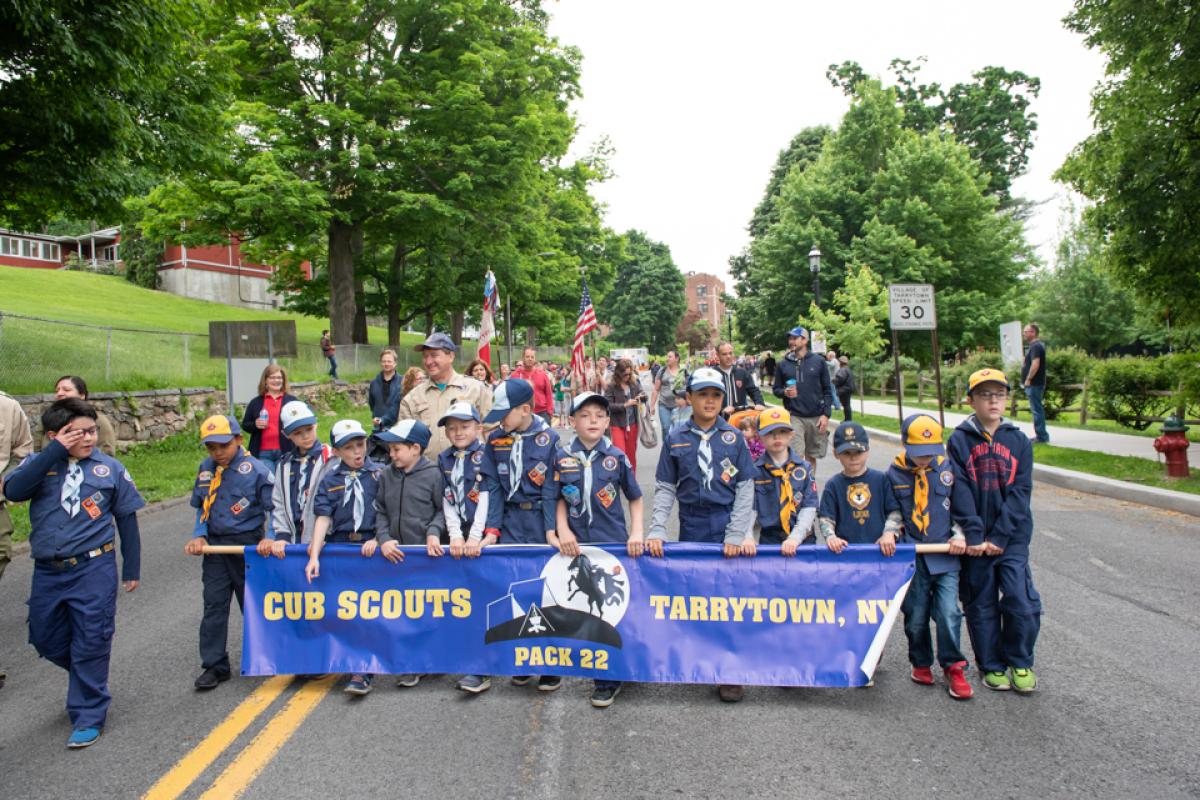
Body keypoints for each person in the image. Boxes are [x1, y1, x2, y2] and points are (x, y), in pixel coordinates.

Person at [2, 398, 144, 748]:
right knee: (44, 637)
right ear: (54, 435)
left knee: (91, 638)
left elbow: (127, 519)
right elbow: (14, 490)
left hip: (93, 567)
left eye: (92, 431)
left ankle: (89, 714)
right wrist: (53, 453)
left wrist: (133, 567)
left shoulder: (108, 469)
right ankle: (86, 675)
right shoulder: (40, 464)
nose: (88, 438)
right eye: (77, 433)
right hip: (49, 570)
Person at [647, 367, 755, 703]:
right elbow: (665, 488)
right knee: (697, 593)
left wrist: (738, 534)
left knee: (729, 597)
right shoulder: (677, 438)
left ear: (723, 400)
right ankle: (701, 658)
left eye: (716, 395)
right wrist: (658, 529)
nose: (710, 401)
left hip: (725, 524)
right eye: (703, 395)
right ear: (689, 398)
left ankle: (729, 670)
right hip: (692, 524)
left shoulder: (733, 438)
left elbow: (745, 489)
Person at [947, 368, 1040, 694]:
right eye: (985, 395)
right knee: (980, 602)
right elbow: (958, 490)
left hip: (1010, 538)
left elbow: (1021, 492)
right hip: (975, 540)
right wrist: (974, 535)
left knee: (1020, 599)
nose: (993, 401)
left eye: (998, 394)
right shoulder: (959, 439)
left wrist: (999, 536)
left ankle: (1020, 660)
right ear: (971, 400)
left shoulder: (1018, 441)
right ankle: (992, 665)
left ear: (1007, 399)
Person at [553, 392, 645, 708]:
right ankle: (602, 673)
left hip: (612, 543)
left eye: (599, 415)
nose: (592, 420)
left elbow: (634, 497)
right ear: (572, 420)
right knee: (587, 610)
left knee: (614, 609)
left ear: (607, 421)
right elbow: (558, 500)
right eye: (585, 415)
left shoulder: (616, 457)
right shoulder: (562, 457)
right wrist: (563, 530)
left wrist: (636, 532)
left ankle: (615, 672)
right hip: (577, 546)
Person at [480, 378, 563, 691]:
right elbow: (492, 487)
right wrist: (491, 530)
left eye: (505, 413)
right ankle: (525, 658)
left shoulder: (549, 439)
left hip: (539, 521)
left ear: (526, 409)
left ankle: (550, 663)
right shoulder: (496, 440)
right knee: (515, 587)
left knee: (546, 589)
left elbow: (553, 489)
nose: (500, 420)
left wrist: (552, 530)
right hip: (511, 521)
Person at [184, 415, 275, 691]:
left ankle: (269, 654)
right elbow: (203, 506)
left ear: (238, 439)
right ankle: (215, 665)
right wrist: (199, 534)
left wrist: (269, 538)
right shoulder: (206, 469)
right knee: (213, 605)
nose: (218, 453)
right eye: (211, 447)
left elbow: (275, 509)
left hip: (247, 546)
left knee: (253, 604)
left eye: (223, 445)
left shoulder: (256, 470)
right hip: (215, 547)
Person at [886, 414, 972, 700]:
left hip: (945, 553)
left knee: (949, 612)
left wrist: (960, 534)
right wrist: (891, 533)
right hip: (913, 555)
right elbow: (894, 510)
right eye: (919, 455)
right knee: (916, 616)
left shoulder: (948, 468)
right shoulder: (895, 472)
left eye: (930, 453)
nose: (925, 460)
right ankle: (920, 661)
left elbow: (959, 509)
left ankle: (953, 666)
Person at [305, 419, 383, 696]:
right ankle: (342, 659)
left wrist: (379, 538)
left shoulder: (379, 474)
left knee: (367, 609)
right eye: (348, 448)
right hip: (340, 547)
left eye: (360, 445)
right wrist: (314, 555)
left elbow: (386, 512)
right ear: (337, 452)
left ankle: (362, 670)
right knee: (343, 608)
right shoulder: (330, 480)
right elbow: (323, 518)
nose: (357, 452)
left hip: (369, 547)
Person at [370, 418, 445, 690]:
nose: (391, 455)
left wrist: (434, 531)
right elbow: (380, 509)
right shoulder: (387, 474)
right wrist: (384, 538)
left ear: (416, 448)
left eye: (396, 449)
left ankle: (428, 660)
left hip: (424, 557)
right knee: (401, 611)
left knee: (426, 610)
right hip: (394, 556)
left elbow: (442, 510)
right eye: (389, 449)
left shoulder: (434, 475)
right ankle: (410, 662)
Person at [435, 402, 496, 694]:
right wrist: (455, 535)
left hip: (484, 537)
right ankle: (468, 661)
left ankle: (485, 665)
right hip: (459, 538)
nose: (458, 432)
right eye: (452, 427)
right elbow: (447, 497)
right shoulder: (444, 458)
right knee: (464, 600)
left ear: (478, 427)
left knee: (488, 600)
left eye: (465, 426)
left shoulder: (485, 455)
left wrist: (474, 536)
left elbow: (485, 495)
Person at [396, 333, 492, 458]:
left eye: (434, 355)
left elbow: (490, 430)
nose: (428, 361)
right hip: (430, 473)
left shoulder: (476, 388)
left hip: (472, 471)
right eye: (425, 356)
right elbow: (404, 442)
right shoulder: (412, 398)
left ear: (451, 356)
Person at [817, 421, 903, 556]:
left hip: (880, 551)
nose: (853, 457)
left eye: (858, 451)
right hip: (846, 553)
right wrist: (831, 537)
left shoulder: (881, 480)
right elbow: (826, 518)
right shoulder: (833, 485)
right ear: (835, 453)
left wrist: (889, 533)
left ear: (867, 450)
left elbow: (894, 511)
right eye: (846, 452)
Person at [262, 401, 336, 550]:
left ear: (316, 424)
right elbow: (279, 502)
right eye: (297, 433)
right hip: (292, 542)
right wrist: (282, 535)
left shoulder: (331, 459)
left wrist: (324, 535)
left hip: (325, 541)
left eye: (309, 429)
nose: (305, 436)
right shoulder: (284, 465)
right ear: (286, 435)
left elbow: (337, 501)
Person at [751, 407, 817, 552]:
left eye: (782, 431)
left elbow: (809, 507)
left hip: (803, 540)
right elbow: (750, 509)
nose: (777, 438)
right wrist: (748, 536)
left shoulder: (804, 469)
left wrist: (795, 538)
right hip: (770, 540)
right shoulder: (755, 471)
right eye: (770, 433)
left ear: (791, 434)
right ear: (759, 436)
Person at [773, 326, 832, 471]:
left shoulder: (818, 361)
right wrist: (785, 392)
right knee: (797, 456)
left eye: (795, 338)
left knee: (811, 456)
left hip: (816, 416)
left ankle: (809, 486)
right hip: (794, 416)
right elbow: (776, 389)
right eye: (790, 338)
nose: (791, 341)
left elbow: (827, 390)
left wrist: (826, 415)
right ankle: (797, 487)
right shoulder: (783, 364)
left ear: (804, 340)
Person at [240, 365, 298, 471]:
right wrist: (255, 424)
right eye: (272, 377)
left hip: (286, 450)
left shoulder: (292, 401)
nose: (276, 380)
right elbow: (245, 425)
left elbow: (300, 423)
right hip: (262, 453)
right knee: (268, 483)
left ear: (283, 380)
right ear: (265, 381)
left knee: (283, 484)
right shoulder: (256, 402)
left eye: (279, 378)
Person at [50, 376, 117, 456]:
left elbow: (107, 452)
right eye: (57, 391)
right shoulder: (49, 419)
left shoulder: (99, 420)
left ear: (82, 395)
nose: (59, 393)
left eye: (66, 390)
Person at [603, 359, 644, 472]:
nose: (628, 376)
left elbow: (643, 393)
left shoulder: (634, 384)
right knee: (620, 454)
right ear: (618, 373)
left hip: (632, 424)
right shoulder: (611, 386)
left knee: (631, 455)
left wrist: (642, 396)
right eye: (625, 374)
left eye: (630, 373)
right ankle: (620, 479)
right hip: (617, 424)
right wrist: (625, 405)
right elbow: (607, 405)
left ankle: (631, 482)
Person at [714, 342, 765, 419]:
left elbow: (754, 390)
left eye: (730, 353)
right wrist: (721, 410)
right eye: (724, 354)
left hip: (740, 418)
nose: (728, 356)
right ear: (718, 355)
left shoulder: (742, 373)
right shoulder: (713, 374)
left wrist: (759, 403)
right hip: (719, 419)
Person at [510, 346, 555, 425]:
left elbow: (549, 394)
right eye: (527, 357)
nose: (530, 359)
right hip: (522, 414)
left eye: (532, 357)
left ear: (535, 359)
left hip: (542, 413)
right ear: (523, 357)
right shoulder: (515, 376)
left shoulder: (543, 375)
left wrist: (549, 413)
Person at [1022, 323, 1049, 444]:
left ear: (1033, 332)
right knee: (1036, 409)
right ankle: (1040, 434)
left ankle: (1042, 437)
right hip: (1034, 384)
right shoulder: (1034, 346)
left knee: (1037, 410)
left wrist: (1028, 379)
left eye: (1026, 331)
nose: (1024, 334)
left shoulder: (1036, 346)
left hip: (1034, 384)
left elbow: (1035, 364)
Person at [367, 350, 403, 435]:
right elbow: (372, 403)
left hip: (397, 427)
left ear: (395, 363)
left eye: (389, 361)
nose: (386, 364)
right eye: (384, 361)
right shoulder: (374, 383)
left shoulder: (402, 382)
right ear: (380, 363)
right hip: (378, 428)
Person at [651, 350, 685, 440]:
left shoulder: (683, 371)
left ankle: (677, 449)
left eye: (670, 357)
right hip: (664, 405)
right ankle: (667, 449)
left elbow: (689, 389)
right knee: (666, 428)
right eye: (667, 356)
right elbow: (655, 389)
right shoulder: (662, 371)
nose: (667, 358)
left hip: (679, 406)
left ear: (677, 358)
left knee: (678, 429)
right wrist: (652, 406)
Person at [833, 355, 855, 421]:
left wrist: (834, 381)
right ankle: (847, 419)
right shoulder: (848, 369)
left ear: (841, 362)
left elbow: (840, 379)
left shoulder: (842, 370)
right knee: (847, 405)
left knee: (846, 406)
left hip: (844, 390)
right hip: (848, 389)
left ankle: (848, 419)